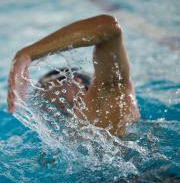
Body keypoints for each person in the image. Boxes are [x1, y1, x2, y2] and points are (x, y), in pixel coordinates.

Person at [7, 14, 140, 137]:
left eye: (45, 85)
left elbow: (109, 28)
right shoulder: (68, 133)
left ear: (76, 81)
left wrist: (26, 55)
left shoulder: (109, 96)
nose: (42, 94)